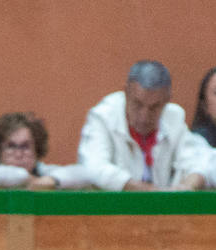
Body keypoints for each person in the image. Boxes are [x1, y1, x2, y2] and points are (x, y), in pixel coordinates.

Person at [77, 60, 207, 191]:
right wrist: (150, 192)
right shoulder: (103, 116)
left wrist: (188, 186)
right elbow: (93, 168)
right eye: (138, 104)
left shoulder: (174, 116)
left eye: (155, 107)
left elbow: (196, 162)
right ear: (126, 92)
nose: (144, 116)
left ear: (168, 99)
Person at [0, 111, 95, 189]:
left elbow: (88, 173)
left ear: (36, 150)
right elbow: (14, 176)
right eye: (11, 146)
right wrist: (28, 180)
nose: (18, 154)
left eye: (25, 146)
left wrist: (51, 181)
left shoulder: (45, 172)